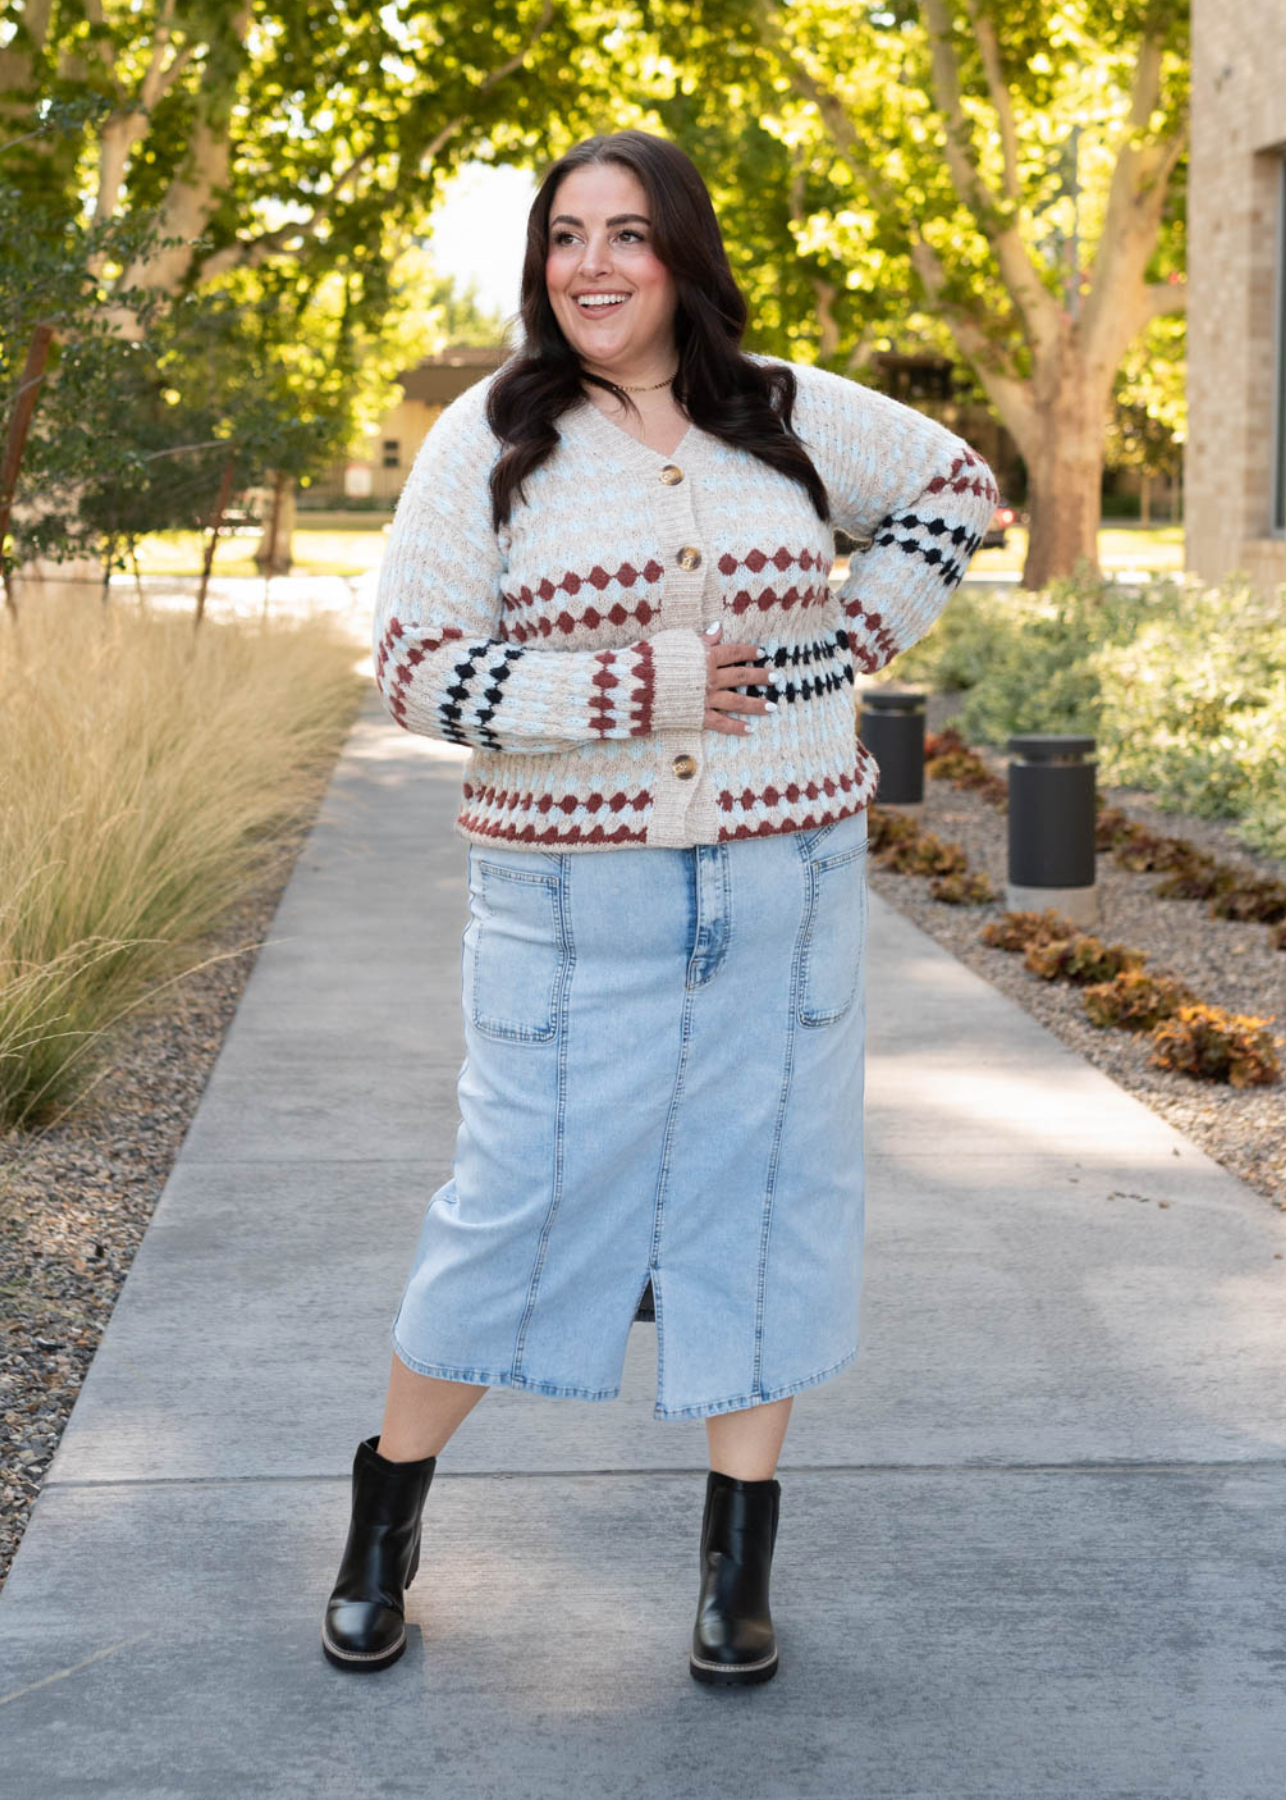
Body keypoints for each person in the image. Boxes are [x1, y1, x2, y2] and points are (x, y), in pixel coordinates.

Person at [322, 128, 997, 1684]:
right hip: (570, 904)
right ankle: (383, 1515)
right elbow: (419, 672)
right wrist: (642, 688)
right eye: (567, 236)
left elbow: (955, 485)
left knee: (765, 1208)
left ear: (680, 254)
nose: (593, 267)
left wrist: (853, 639)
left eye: (627, 235)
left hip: (788, 881)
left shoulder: (782, 409)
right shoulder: (488, 435)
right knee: (512, 1210)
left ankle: (735, 1563)